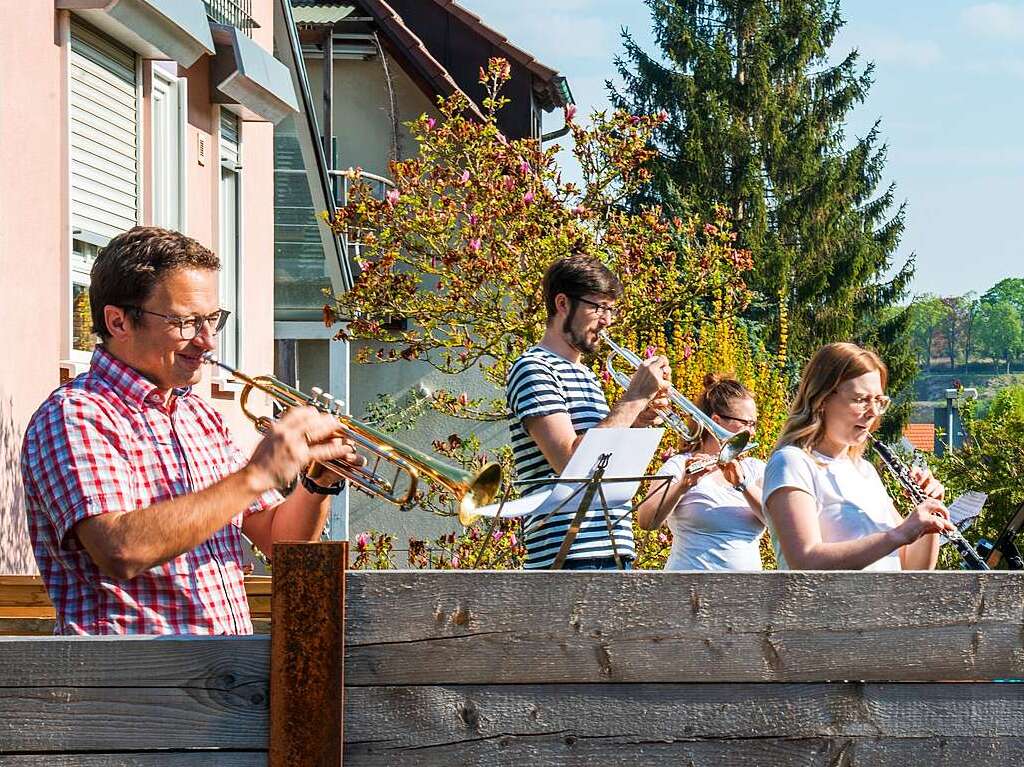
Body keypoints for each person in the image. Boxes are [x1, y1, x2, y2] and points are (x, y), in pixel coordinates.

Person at [21, 226, 362, 634]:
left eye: (212, 320)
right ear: (118, 322)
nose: (207, 342)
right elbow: (120, 548)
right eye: (185, 322)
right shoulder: (76, 414)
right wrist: (256, 475)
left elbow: (277, 539)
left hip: (221, 675)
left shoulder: (199, 416)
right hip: (132, 685)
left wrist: (318, 481)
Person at [506, 255, 670, 570]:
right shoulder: (533, 368)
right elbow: (569, 461)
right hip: (566, 554)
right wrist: (634, 399)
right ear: (563, 303)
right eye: (598, 308)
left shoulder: (587, 376)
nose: (607, 320)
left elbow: (603, 463)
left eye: (611, 309)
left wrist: (638, 422)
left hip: (614, 548)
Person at [762, 342, 955, 570]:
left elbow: (913, 568)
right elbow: (805, 560)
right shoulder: (792, 463)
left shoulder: (864, 470)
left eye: (879, 401)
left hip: (880, 605)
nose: (873, 412)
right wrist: (900, 533)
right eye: (861, 399)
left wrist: (928, 515)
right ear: (822, 399)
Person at [636, 374, 766, 570]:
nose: (753, 432)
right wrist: (683, 486)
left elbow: (780, 525)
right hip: (688, 592)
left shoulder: (754, 469)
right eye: (746, 423)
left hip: (747, 594)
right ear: (716, 421)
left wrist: (744, 485)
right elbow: (646, 521)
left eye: (754, 424)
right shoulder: (680, 465)